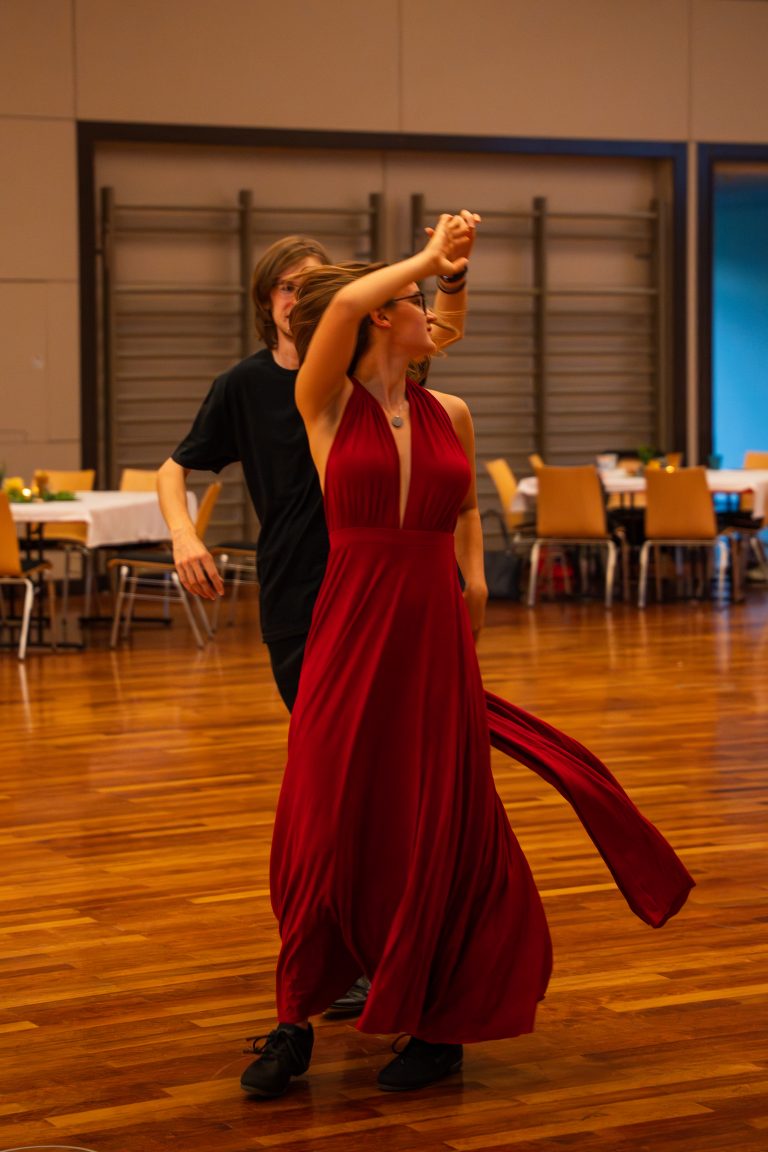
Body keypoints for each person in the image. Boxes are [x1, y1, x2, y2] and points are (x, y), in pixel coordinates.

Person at [239, 213, 694, 1099]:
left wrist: (476, 583)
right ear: (381, 315)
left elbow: (462, 511)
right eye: (419, 302)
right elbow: (345, 310)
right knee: (322, 820)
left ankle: (440, 1025)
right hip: (351, 625)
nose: (437, 317)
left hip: (435, 628)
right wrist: (424, 258)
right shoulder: (325, 401)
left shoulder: (449, 412)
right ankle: (294, 1019)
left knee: (442, 820)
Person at [157, 225, 477, 1017]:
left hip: (388, 593)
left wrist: (448, 278)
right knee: (335, 782)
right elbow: (176, 467)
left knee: (393, 780)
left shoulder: (379, 375)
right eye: (289, 286)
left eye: (316, 283)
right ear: (267, 302)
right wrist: (185, 535)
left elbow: (438, 334)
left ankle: (386, 947)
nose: (302, 296)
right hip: (303, 595)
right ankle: (338, 945)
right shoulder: (258, 385)